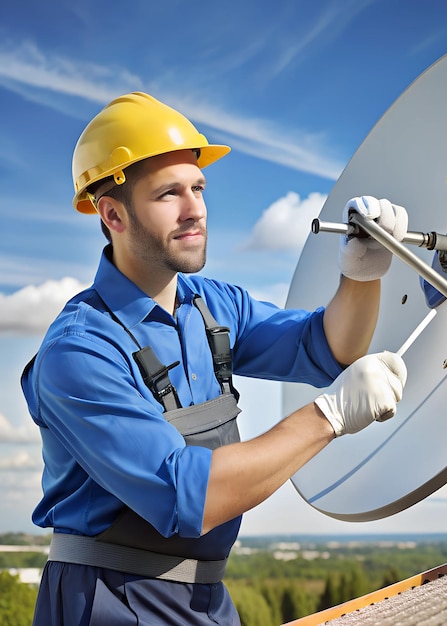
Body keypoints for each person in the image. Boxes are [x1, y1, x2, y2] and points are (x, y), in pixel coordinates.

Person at [21, 92, 408, 625]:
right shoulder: (79, 350)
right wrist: (329, 416)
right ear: (112, 213)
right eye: (168, 194)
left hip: (205, 597)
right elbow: (187, 495)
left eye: (198, 188)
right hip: (110, 600)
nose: (194, 209)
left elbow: (328, 347)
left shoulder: (212, 307)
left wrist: (363, 274)